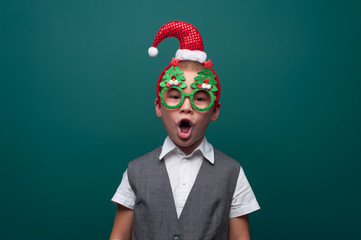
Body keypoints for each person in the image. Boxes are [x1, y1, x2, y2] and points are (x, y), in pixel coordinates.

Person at [109, 21, 260, 240]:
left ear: (214, 111)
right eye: (175, 96)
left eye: (199, 98)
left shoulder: (233, 173)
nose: (186, 107)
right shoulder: (135, 171)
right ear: (159, 107)